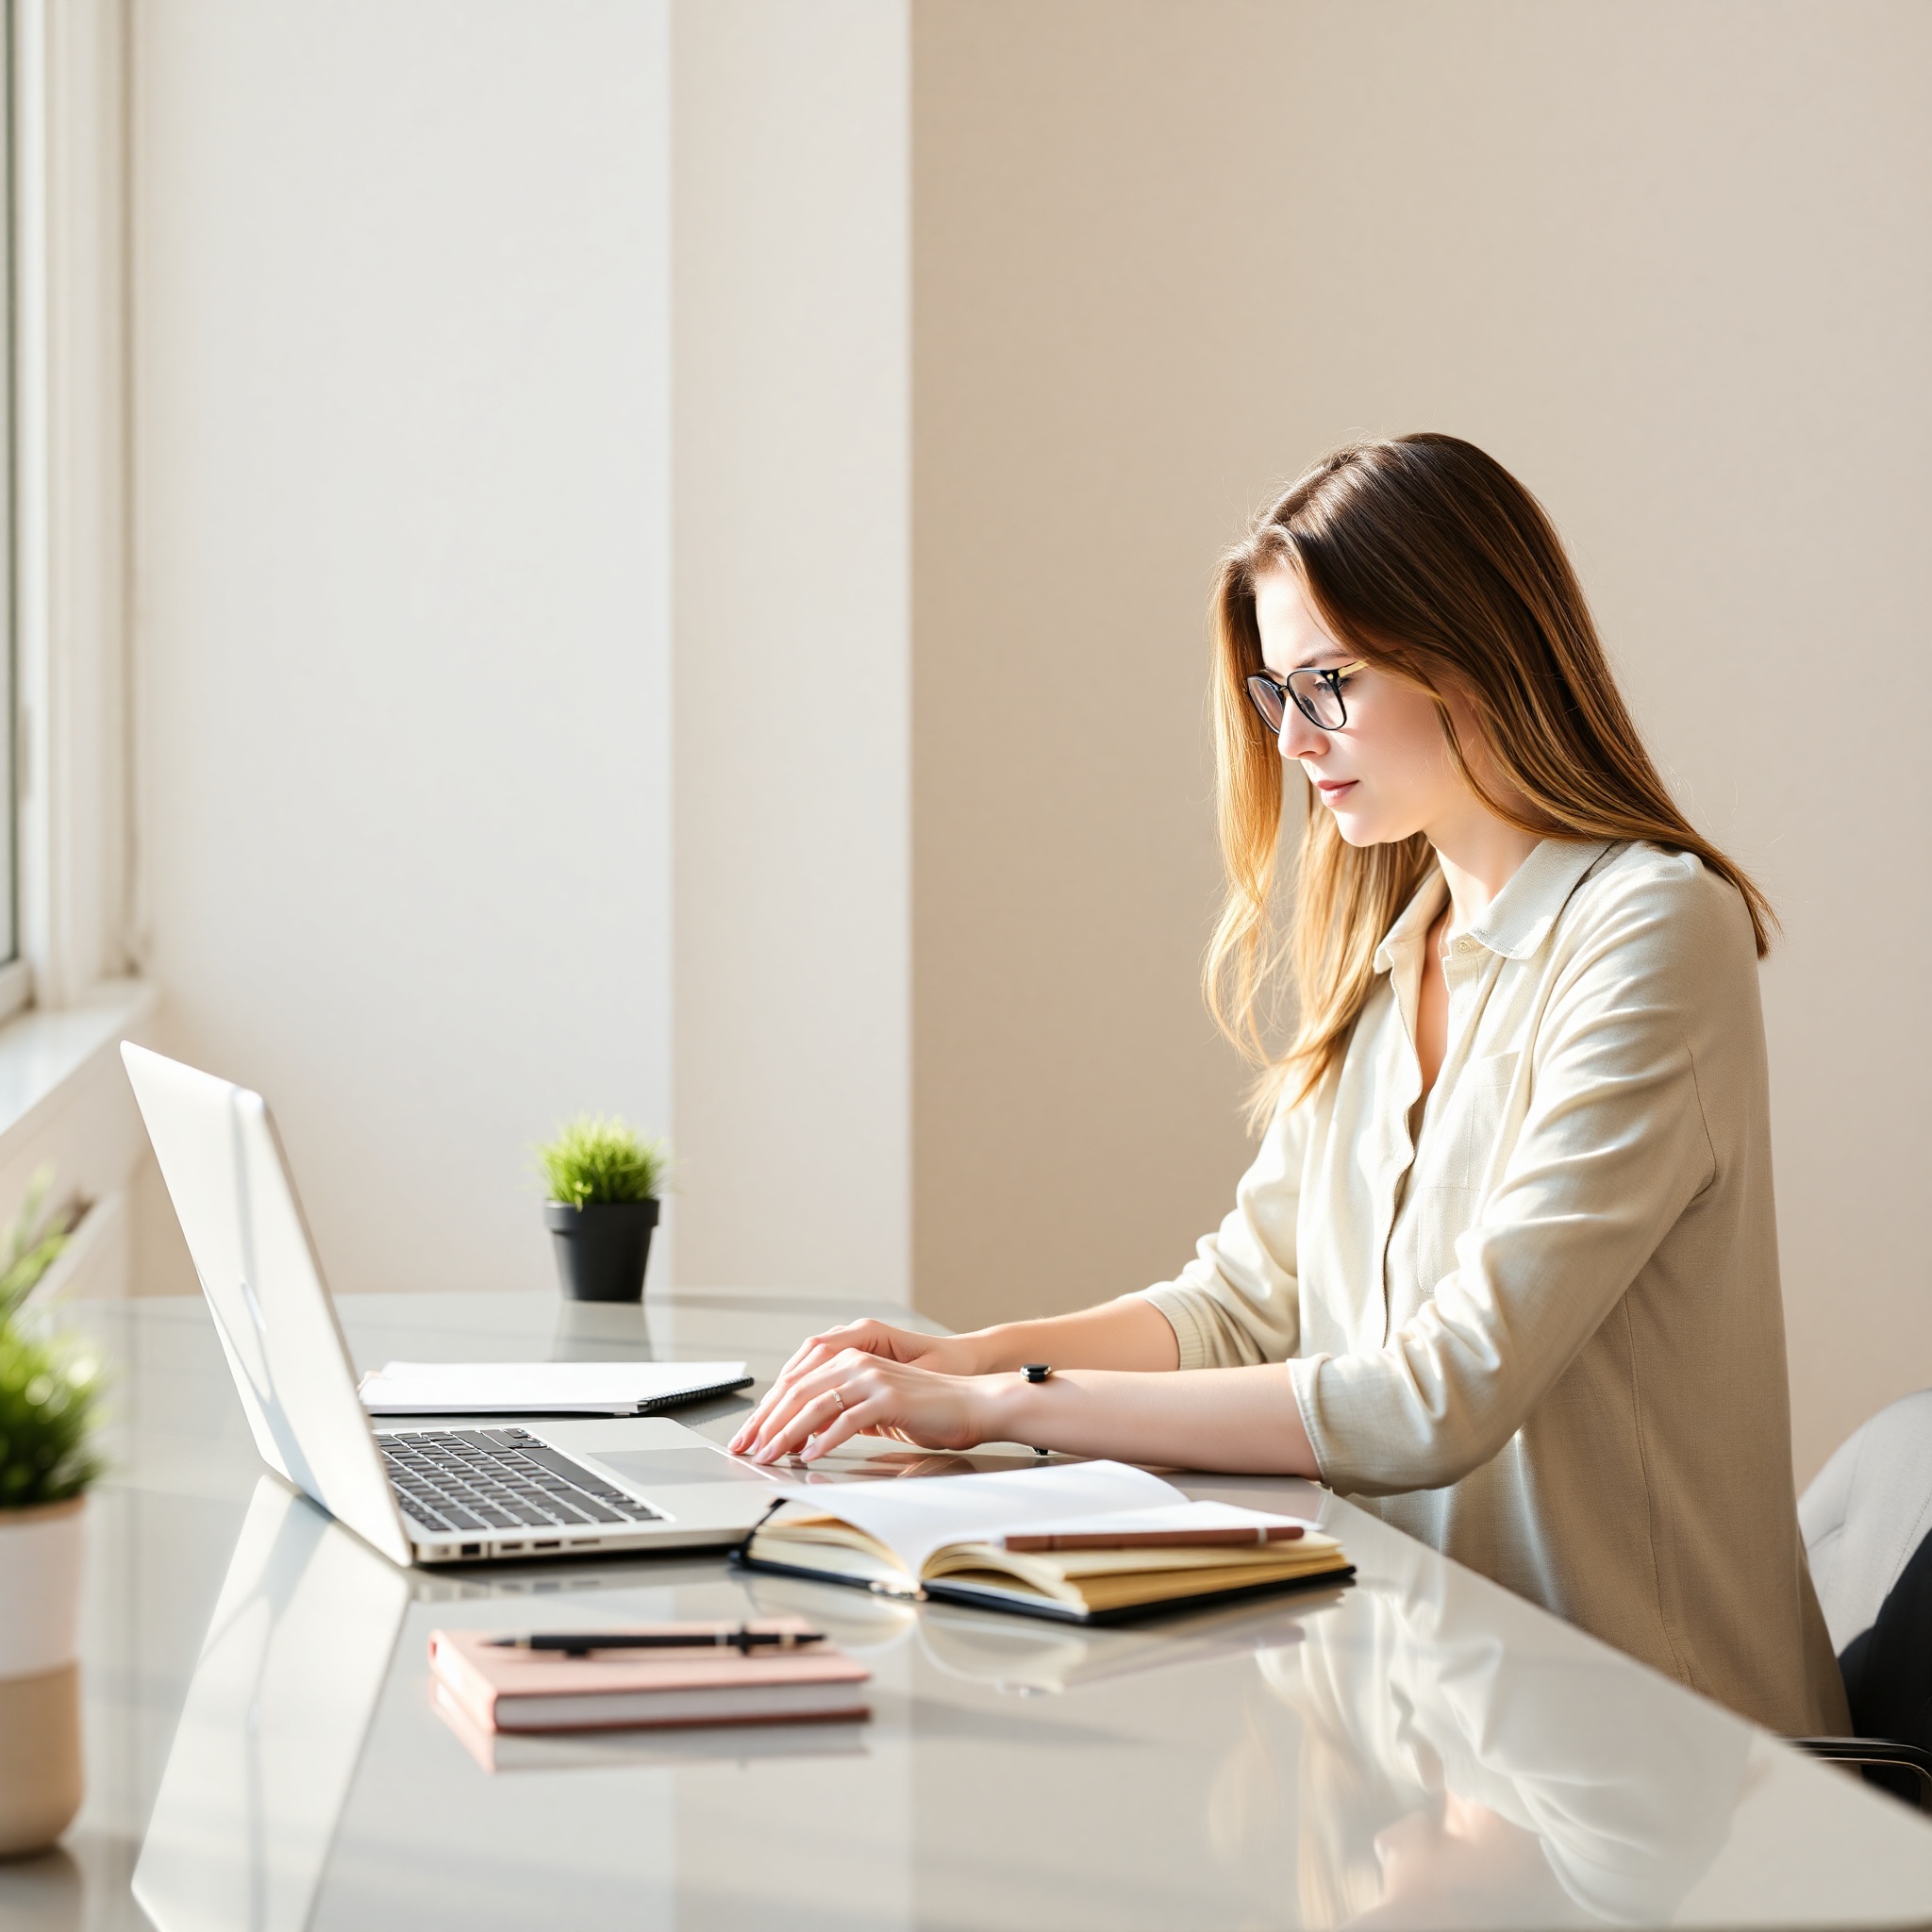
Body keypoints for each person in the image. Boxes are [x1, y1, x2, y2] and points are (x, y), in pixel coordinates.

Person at [730, 433, 1846, 1735]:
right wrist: (968, 1358)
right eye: (1278, 695)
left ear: (1473, 647)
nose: (1299, 741)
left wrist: (997, 1410)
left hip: (1662, 1762)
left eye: (1331, 683)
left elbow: (1442, 1392)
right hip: (1447, 1720)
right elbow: (1243, 1302)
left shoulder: (1654, 926)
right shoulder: (1398, 944)